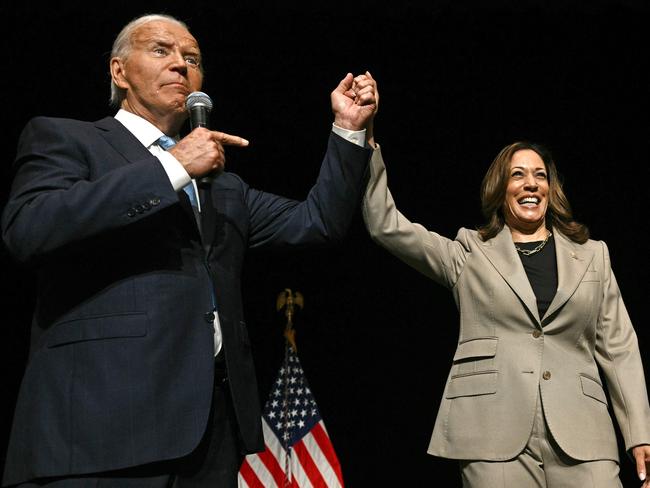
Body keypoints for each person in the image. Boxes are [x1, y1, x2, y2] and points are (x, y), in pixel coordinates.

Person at [1, 13, 377, 488]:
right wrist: (171, 166)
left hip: (210, 434)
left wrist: (347, 129)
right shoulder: (66, 139)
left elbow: (317, 222)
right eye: (161, 50)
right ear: (119, 72)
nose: (181, 65)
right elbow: (29, 228)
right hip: (103, 427)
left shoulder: (223, 186)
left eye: (192, 58)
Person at [361, 123, 650, 486]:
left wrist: (639, 432)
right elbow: (385, 225)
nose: (531, 184)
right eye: (518, 175)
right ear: (500, 189)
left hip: (583, 432)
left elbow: (619, 347)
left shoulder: (593, 256)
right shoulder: (468, 253)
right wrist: (366, 138)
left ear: (550, 189)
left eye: (540, 176)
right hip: (492, 431)